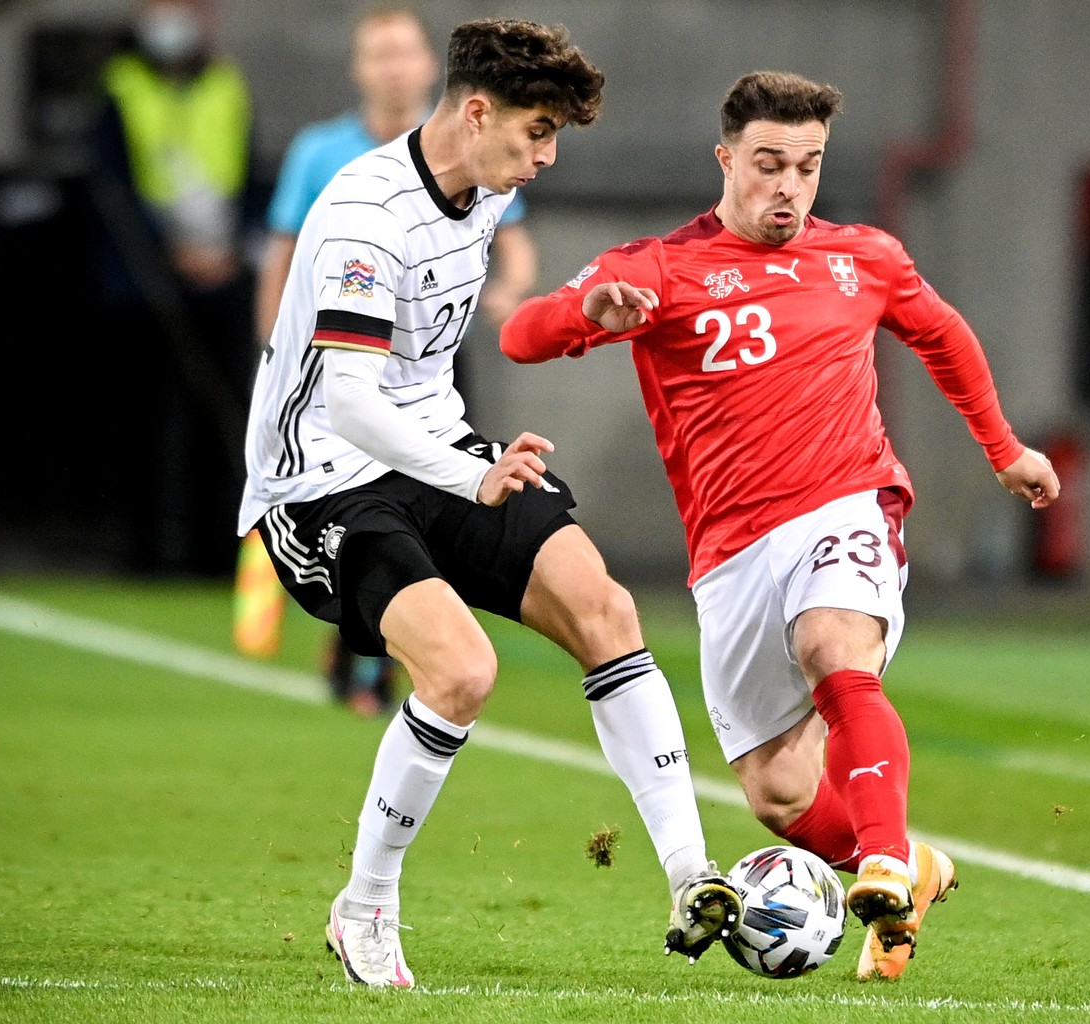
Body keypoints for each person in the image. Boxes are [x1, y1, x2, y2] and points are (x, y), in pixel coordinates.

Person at [500, 71, 1060, 981]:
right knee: (778, 791)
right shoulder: (660, 267)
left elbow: (943, 334)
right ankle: (913, 870)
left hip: (847, 500)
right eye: (769, 164)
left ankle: (880, 856)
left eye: (807, 166)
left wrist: (1004, 451)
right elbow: (521, 334)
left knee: (834, 647)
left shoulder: (863, 257)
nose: (789, 186)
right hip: (730, 553)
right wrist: (584, 312)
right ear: (727, 161)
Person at [236, 19, 740, 988]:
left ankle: (692, 876)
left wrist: (585, 319)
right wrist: (473, 476)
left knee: (605, 609)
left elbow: (490, 340)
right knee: (462, 672)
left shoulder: (483, 198)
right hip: (322, 481)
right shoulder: (365, 210)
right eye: (538, 131)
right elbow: (348, 398)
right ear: (477, 111)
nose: (547, 157)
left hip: (435, 449)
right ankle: (365, 906)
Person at [233, 4, 539, 715]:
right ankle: (332, 632)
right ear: (359, 68)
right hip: (338, 367)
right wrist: (270, 337)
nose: (393, 67)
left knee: (441, 499)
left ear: (431, 66)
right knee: (335, 506)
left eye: (404, 52)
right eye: (379, 54)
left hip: (427, 368)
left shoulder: (477, 149)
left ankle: (400, 654)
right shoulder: (322, 152)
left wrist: (512, 289)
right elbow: (283, 247)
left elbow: (514, 236)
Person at [88, 0, 260, 576]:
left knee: (219, 421)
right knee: (138, 422)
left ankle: (215, 553)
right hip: (143, 290)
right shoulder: (121, 86)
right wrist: (171, 253)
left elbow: (250, 178)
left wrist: (228, 252)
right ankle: (139, 554)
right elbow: (111, 189)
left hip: (222, 281)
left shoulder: (229, 88)